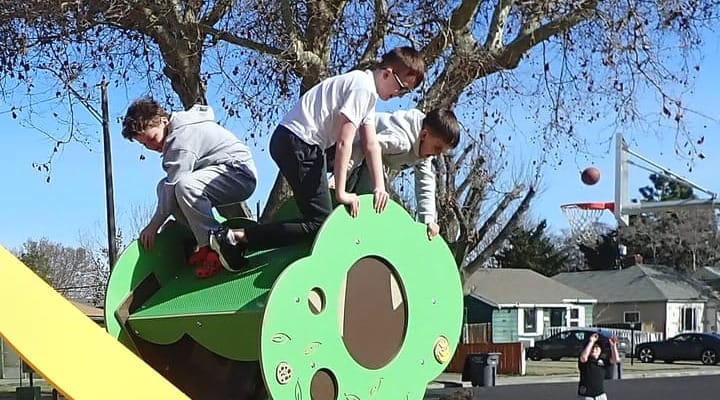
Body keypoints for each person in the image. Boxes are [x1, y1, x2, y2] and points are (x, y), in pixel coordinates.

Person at [213, 46, 425, 269]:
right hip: (299, 143)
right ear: (387, 73)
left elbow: (371, 144)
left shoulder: (366, 90)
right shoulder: (362, 89)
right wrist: (342, 192)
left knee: (353, 157)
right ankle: (236, 238)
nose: (399, 95)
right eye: (402, 88)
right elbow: (343, 142)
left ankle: (240, 238)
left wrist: (380, 187)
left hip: (295, 141)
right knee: (320, 223)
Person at [121, 97, 257, 279]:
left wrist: (153, 226)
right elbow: (168, 188)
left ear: (163, 121)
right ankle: (201, 240)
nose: (152, 146)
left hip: (239, 175)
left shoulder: (181, 139)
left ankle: (220, 245)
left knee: (184, 186)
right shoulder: (175, 134)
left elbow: (175, 186)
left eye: (152, 138)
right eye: (145, 144)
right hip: (220, 173)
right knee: (164, 187)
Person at [357, 106, 463, 239]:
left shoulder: (424, 152)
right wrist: (339, 178)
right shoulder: (401, 140)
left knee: (381, 199)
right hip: (347, 143)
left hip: (363, 157)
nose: (437, 154)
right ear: (424, 135)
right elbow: (368, 145)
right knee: (374, 193)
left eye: (442, 152)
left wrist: (429, 220)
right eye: (437, 148)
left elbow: (425, 184)